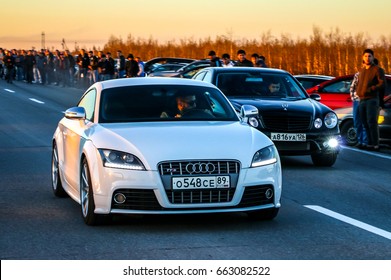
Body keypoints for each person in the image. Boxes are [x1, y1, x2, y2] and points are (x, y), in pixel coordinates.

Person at [356, 49, 385, 151]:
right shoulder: (362, 70)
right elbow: (359, 83)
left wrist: (371, 89)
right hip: (362, 99)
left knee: (371, 122)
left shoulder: (377, 70)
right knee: (364, 122)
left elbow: (382, 84)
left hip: (372, 99)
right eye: (365, 56)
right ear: (362, 58)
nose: (367, 58)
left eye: (369, 56)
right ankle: (369, 143)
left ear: (373, 57)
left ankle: (375, 144)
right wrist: (358, 91)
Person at [350, 64, 367, 148]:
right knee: (357, 121)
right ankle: (359, 140)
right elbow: (352, 87)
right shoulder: (358, 75)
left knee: (365, 122)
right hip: (357, 101)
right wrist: (353, 98)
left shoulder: (372, 76)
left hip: (366, 100)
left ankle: (364, 142)